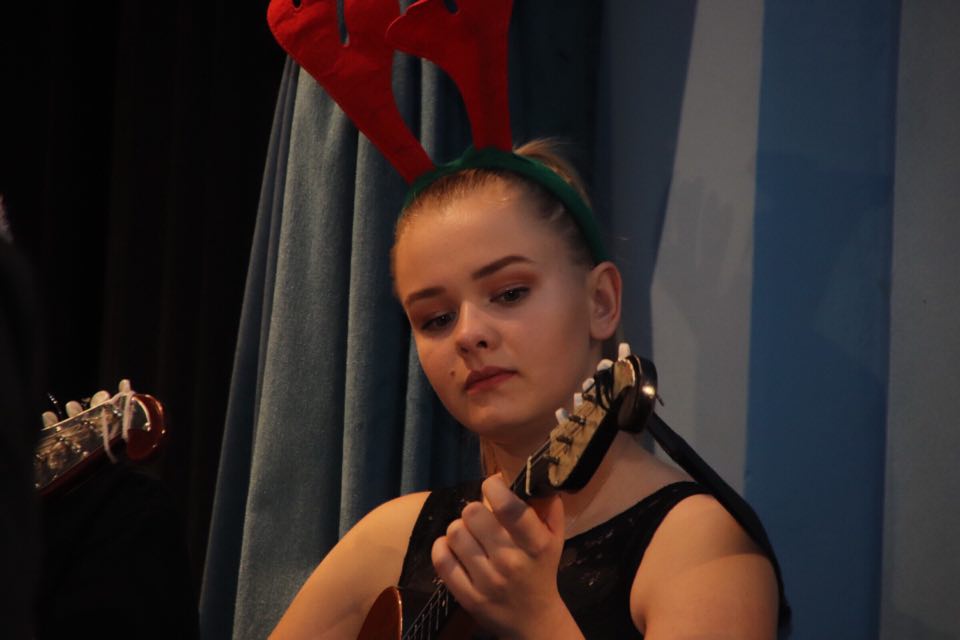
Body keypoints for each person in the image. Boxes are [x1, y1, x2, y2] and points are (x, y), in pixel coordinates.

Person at [270, 140, 780, 639]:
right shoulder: (390, 539)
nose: (468, 334)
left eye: (510, 293)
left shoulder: (702, 545)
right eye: (436, 318)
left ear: (601, 301)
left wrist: (540, 622)